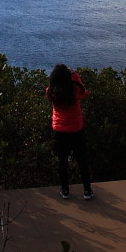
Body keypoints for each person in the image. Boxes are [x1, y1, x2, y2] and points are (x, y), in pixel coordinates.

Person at [46, 63, 93, 200]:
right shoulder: (74, 90)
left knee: (62, 161)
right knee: (82, 160)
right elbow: (84, 92)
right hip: (76, 129)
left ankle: (65, 190)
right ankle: (87, 191)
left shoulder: (50, 91)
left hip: (59, 130)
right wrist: (74, 75)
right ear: (68, 76)